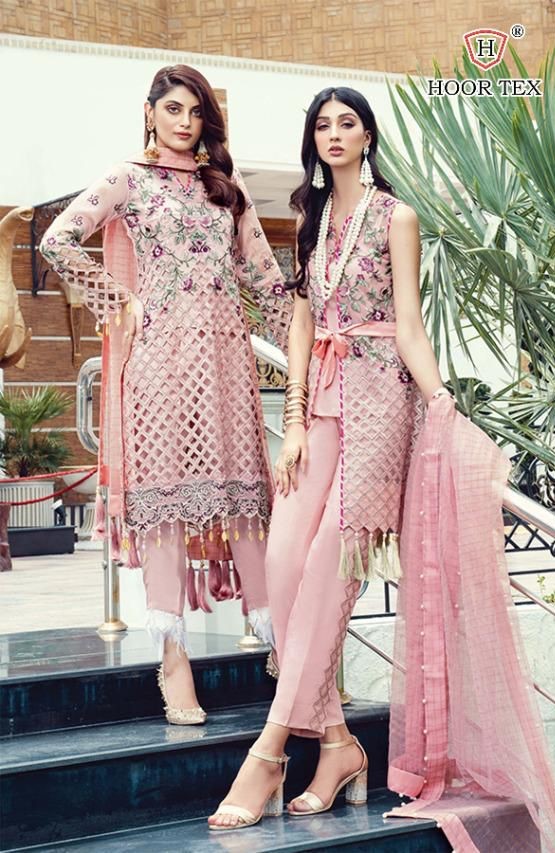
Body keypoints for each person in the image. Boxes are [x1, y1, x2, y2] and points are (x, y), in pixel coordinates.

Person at [208, 86, 445, 830]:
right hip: (320, 408)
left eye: (347, 123)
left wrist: (440, 399)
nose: (334, 134)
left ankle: (271, 748)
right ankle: (339, 744)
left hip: (381, 407)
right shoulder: (310, 215)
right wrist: (295, 420)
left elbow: (408, 324)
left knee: (325, 572)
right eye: (322, 125)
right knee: (283, 564)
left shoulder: (395, 216)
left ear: (367, 136)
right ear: (312, 140)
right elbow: (303, 320)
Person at [40, 64, 291, 725]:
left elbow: (266, 280)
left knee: (245, 499)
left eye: (195, 111)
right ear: (150, 112)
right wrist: (119, 301)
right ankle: (172, 657)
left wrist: (310, 353)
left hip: (226, 363)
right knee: (166, 502)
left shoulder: (225, 187)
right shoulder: (127, 178)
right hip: (156, 365)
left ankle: (280, 643)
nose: (184, 121)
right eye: (173, 109)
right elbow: (57, 240)